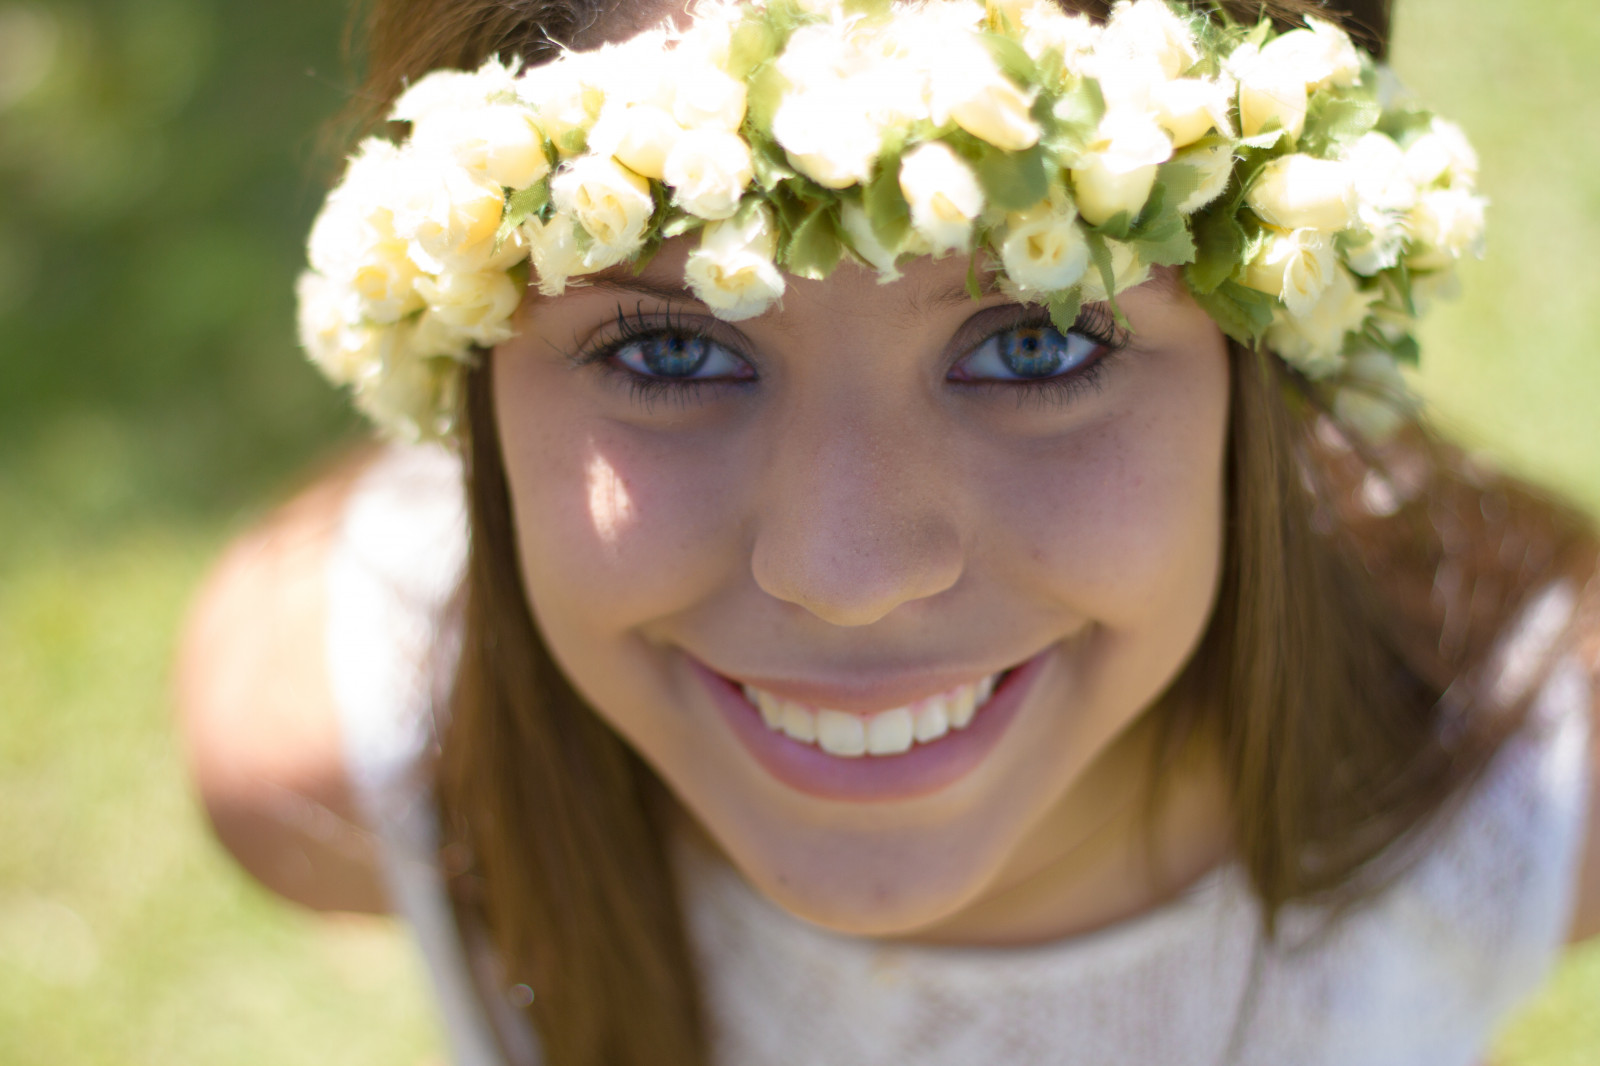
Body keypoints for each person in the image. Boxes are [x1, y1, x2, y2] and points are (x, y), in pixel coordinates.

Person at [176, 0, 1600, 1063]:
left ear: (1272, 360)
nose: (845, 577)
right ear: (468, 372)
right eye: (669, 352)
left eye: (1040, 340)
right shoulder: (326, 756)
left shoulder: (1534, 790)